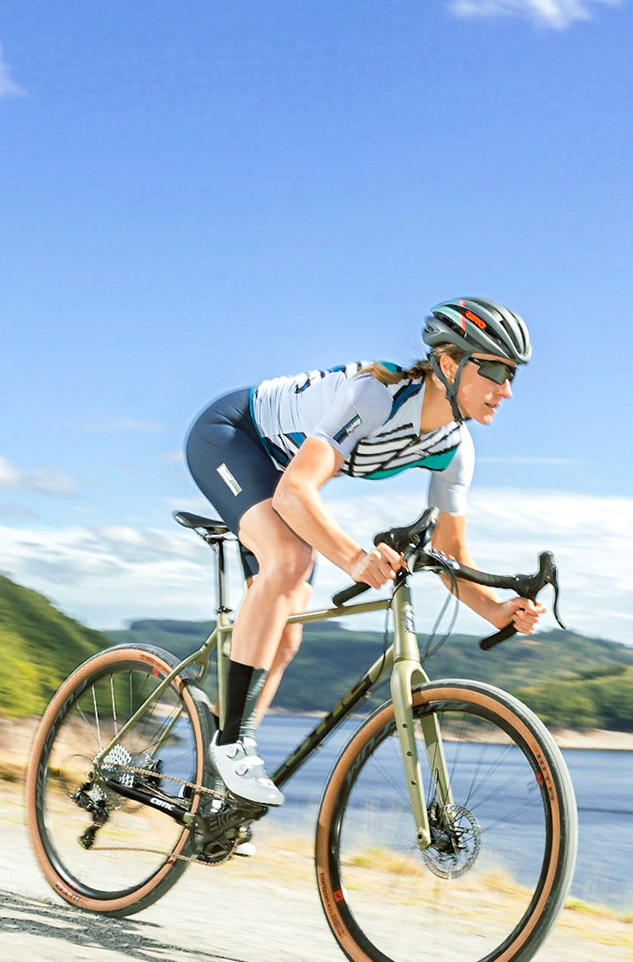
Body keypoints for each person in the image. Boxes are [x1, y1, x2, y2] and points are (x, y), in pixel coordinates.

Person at [182, 297, 547, 806]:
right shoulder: (376, 394)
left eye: (513, 376)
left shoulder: (454, 449)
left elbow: (451, 550)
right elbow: (293, 493)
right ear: (449, 363)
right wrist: (356, 559)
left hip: (279, 472)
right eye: (495, 371)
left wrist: (495, 609)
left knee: (284, 639)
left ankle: (215, 797)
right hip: (232, 436)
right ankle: (231, 744)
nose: (506, 390)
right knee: (290, 560)